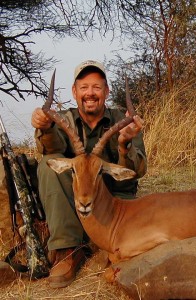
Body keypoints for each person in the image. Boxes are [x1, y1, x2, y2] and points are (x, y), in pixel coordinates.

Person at [31, 60, 147, 288]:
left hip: (116, 205)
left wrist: (124, 143)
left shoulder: (124, 122)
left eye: (96, 87)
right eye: (84, 87)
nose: (90, 93)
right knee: (48, 163)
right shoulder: (64, 121)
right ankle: (67, 248)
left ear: (106, 91)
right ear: (75, 92)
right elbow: (52, 150)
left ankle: (100, 243)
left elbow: (137, 172)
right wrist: (45, 127)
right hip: (80, 198)